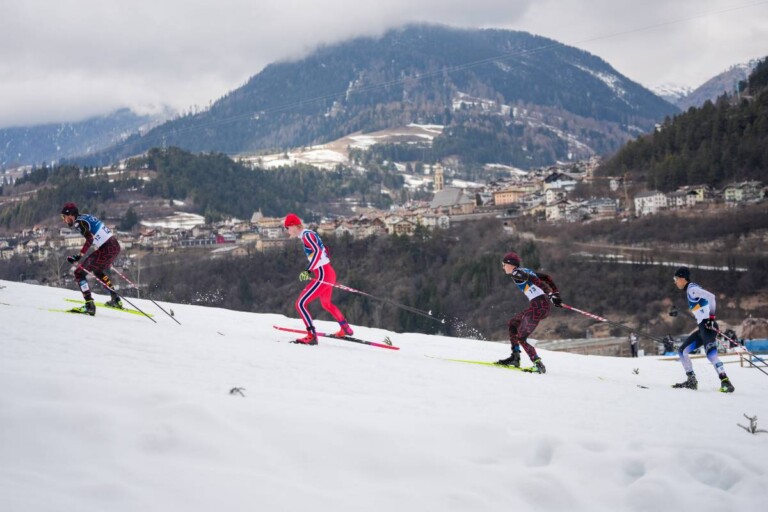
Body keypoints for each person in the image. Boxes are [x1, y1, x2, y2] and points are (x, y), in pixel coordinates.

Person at [283, 213, 353, 345]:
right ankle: (345, 328)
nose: (287, 231)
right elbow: (322, 250)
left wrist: (308, 270)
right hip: (327, 272)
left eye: (287, 227)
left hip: (322, 274)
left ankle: (311, 335)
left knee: (300, 304)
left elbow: (318, 252)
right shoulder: (309, 234)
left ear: (293, 225)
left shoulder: (306, 235)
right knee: (326, 304)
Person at [496, 251, 562, 373]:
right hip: (539, 306)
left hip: (539, 306)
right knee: (513, 323)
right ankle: (515, 357)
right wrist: (555, 294)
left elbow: (533, 279)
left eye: (503, 264)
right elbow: (547, 277)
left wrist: (550, 293)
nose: (503, 267)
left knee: (521, 337)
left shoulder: (517, 273)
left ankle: (538, 364)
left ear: (510, 264)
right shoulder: (525, 270)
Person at [671, 266, 734, 393]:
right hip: (702, 328)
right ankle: (692, 381)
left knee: (711, 355)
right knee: (682, 351)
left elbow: (711, 297)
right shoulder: (691, 289)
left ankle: (726, 382)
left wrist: (711, 318)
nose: (675, 281)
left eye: (676, 279)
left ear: (682, 278)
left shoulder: (692, 290)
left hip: (708, 327)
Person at [60, 202, 122, 315]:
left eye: (64, 217)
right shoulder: (85, 217)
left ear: (70, 215)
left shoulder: (79, 223)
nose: (64, 220)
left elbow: (90, 239)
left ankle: (89, 305)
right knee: (97, 270)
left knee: (79, 273)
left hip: (106, 248)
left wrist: (79, 256)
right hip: (114, 246)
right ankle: (115, 299)